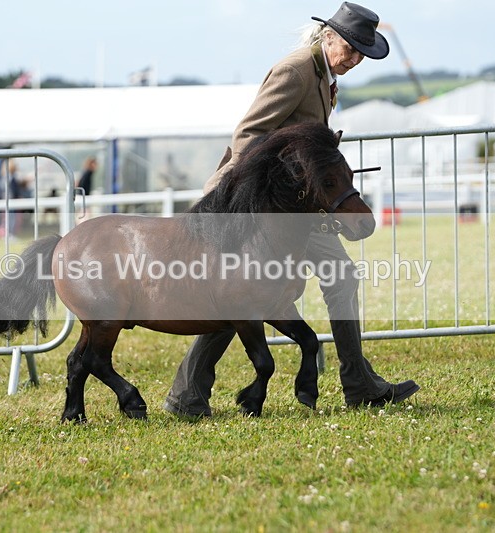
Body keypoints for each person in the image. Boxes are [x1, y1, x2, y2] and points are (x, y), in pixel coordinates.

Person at [163, 2, 420, 419]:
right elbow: (250, 134)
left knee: (331, 279)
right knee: (246, 295)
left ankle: (357, 383)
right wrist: (266, 191)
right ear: (329, 37)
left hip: (298, 204)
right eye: (351, 49)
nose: (354, 60)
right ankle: (187, 392)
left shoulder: (324, 74)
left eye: (361, 54)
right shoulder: (297, 69)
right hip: (261, 202)